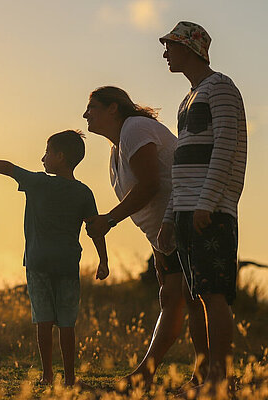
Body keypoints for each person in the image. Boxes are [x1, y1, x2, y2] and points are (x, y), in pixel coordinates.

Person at [0, 130, 109, 386]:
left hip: (38, 262)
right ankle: (69, 378)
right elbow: (95, 228)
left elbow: (7, 167)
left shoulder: (38, 182)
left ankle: (48, 376)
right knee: (67, 323)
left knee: (43, 320)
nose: (42, 158)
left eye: (47, 153)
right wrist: (104, 260)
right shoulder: (83, 192)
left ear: (60, 156)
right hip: (68, 264)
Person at [157, 21, 247, 391]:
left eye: (171, 46)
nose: (166, 53)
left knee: (213, 294)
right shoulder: (188, 98)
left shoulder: (221, 88)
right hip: (186, 211)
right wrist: (169, 217)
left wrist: (207, 203)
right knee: (195, 298)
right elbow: (183, 164)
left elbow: (227, 149)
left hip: (210, 211)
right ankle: (202, 376)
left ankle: (218, 381)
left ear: (191, 50)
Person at [82, 86, 191, 386]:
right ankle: (149, 373)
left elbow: (151, 185)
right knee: (172, 298)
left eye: (92, 107)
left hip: (185, 220)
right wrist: (157, 247)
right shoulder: (116, 148)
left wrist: (109, 219)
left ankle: (207, 376)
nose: (85, 114)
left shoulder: (135, 128)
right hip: (166, 234)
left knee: (195, 299)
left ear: (113, 108)